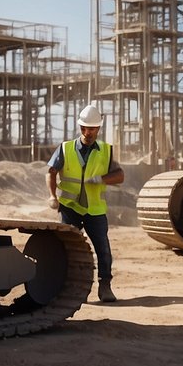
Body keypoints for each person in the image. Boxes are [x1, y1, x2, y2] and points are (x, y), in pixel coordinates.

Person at [46, 103, 125, 303]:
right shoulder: (65, 148)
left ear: (98, 128)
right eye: (83, 128)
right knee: (65, 250)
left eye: (91, 129)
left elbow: (120, 175)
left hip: (95, 210)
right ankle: (65, 289)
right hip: (70, 208)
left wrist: (101, 179)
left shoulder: (106, 151)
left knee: (103, 250)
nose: (87, 132)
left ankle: (105, 286)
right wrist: (52, 196)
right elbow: (51, 172)